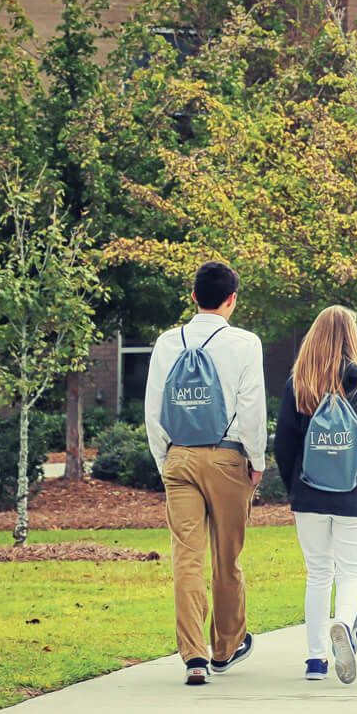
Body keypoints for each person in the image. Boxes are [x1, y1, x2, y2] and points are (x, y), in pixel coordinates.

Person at [144, 261, 266, 687]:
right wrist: (257, 461)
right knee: (226, 559)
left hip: (179, 458)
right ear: (232, 299)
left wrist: (166, 460)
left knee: (187, 558)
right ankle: (225, 647)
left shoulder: (165, 342)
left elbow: (154, 409)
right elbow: (252, 408)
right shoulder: (245, 343)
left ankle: (193, 655)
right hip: (227, 459)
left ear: (193, 296)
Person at [273, 306, 357, 685]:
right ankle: (343, 621)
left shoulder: (299, 383)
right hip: (356, 489)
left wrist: (292, 483)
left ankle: (314, 660)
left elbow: (284, 442)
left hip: (309, 491)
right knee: (352, 570)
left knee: (318, 573)